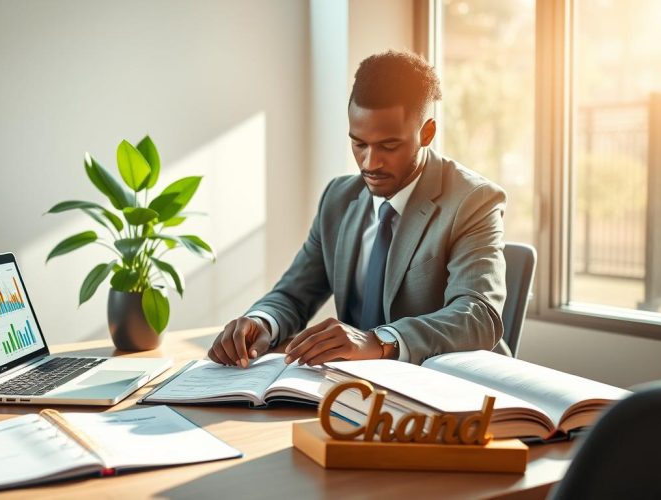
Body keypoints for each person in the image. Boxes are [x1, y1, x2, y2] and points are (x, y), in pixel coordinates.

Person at [208, 49, 507, 367]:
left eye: (389, 146)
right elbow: (294, 294)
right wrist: (262, 321)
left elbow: (477, 315)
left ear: (427, 133)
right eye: (359, 143)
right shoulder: (338, 198)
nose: (370, 162)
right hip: (355, 389)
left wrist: (378, 341)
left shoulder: (473, 200)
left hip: (452, 392)